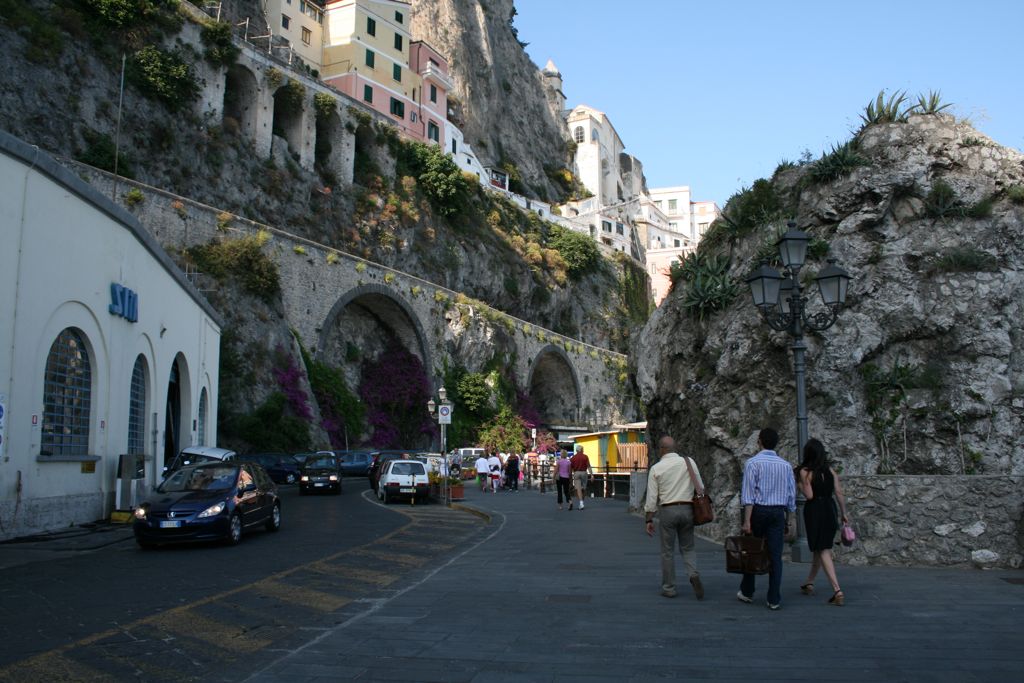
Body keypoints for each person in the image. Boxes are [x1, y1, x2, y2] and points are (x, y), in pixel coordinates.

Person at [737, 427, 796, 610]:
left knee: (752, 549)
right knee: (775, 555)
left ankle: (747, 591)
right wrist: (790, 518)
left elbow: (748, 495)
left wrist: (747, 522)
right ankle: (774, 598)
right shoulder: (785, 465)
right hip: (778, 512)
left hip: (759, 511)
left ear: (759, 441)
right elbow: (790, 495)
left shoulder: (753, 463)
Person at [644, 436, 705, 599]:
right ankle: (693, 574)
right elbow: (701, 487)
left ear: (662, 449)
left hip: (668, 510)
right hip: (687, 509)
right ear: (675, 448)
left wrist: (649, 519)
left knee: (667, 551)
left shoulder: (657, 468)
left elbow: (651, 499)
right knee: (688, 547)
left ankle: (669, 587)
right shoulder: (689, 462)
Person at [796, 438, 849, 606]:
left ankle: (837, 590)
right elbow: (839, 493)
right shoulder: (830, 471)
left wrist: (800, 485)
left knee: (823, 549)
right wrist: (843, 513)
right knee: (820, 547)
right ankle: (809, 582)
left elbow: (809, 495)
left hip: (815, 510)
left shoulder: (805, 472)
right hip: (830, 508)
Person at [569, 444, 593, 510]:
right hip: (584, 473)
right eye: (583, 449)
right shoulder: (585, 457)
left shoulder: (573, 458)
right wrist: (591, 475)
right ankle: (582, 502)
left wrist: (570, 477)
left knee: (578, 489)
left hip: (576, 473)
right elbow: (588, 466)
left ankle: (581, 503)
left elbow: (570, 469)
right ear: (581, 450)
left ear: (576, 450)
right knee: (584, 488)